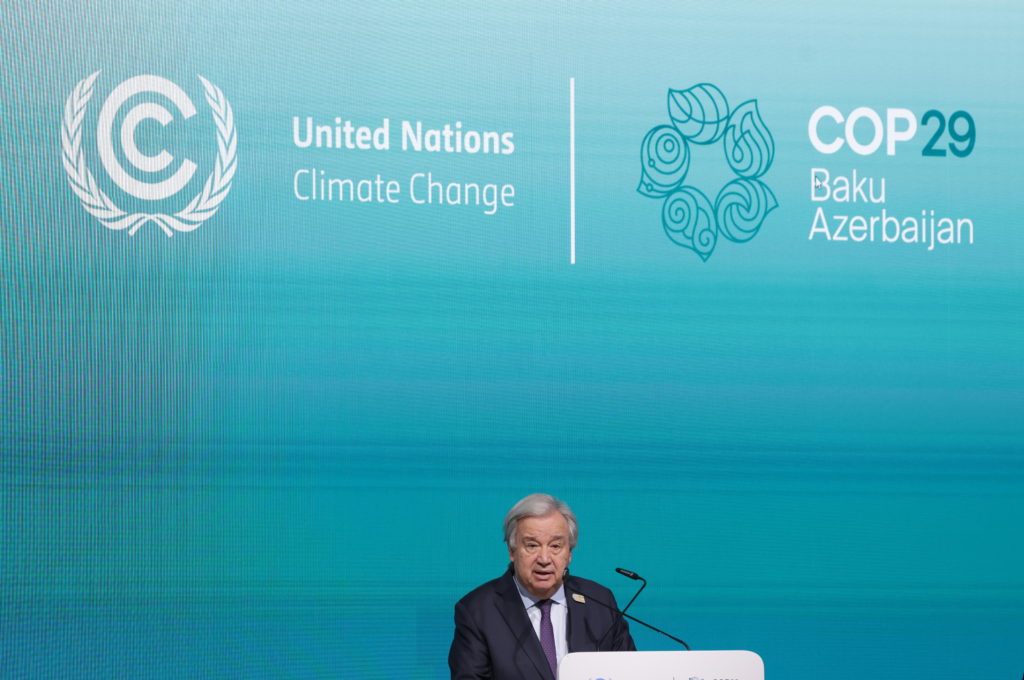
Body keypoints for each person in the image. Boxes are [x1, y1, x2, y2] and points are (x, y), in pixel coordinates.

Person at [449, 493, 635, 680]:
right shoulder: (478, 611)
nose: (544, 559)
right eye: (532, 545)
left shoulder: (600, 602)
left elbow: (630, 672)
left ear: (569, 553)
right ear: (512, 551)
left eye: (555, 546)